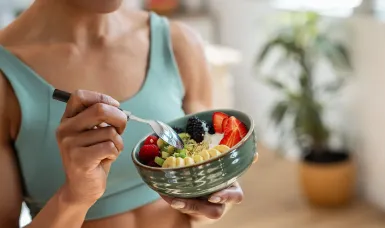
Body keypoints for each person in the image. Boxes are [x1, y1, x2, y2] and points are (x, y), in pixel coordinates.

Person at [0, 0, 258, 227]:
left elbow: (201, 207)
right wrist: (75, 197)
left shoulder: (179, 43)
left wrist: (213, 195)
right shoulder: (5, 75)